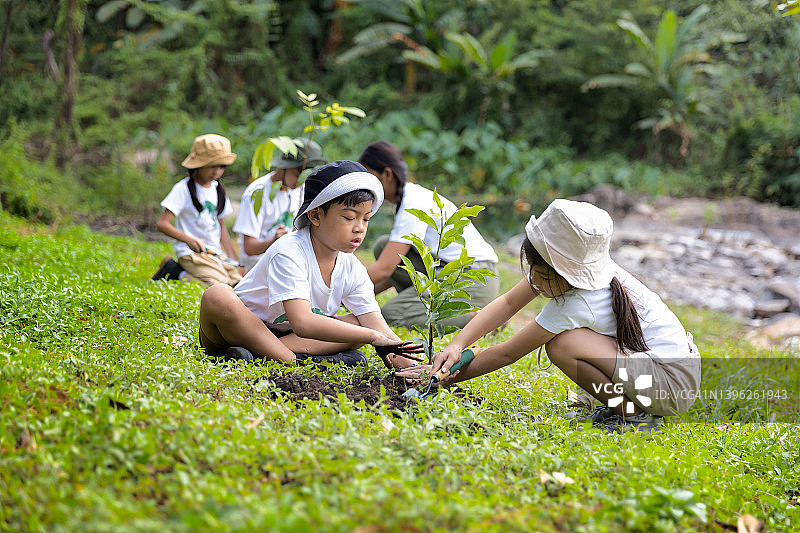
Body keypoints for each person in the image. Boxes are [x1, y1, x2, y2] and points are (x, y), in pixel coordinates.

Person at [405, 199, 701, 432]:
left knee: (562, 345)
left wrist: (441, 378)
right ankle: (625, 405)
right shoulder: (568, 271)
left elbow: (507, 354)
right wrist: (457, 345)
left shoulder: (576, 303)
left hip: (671, 384)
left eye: (539, 274)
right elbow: (507, 303)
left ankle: (634, 416)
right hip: (670, 372)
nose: (533, 279)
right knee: (570, 341)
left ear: (560, 271)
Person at [198, 160, 424, 367]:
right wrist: (371, 337)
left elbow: (381, 331)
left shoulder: (351, 267)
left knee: (360, 322)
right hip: (240, 328)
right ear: (315, 216)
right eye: (349, 217)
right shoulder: (289, 250)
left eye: (365, 219)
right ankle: (291, 360)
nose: (359, 228)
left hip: (292, 340)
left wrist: (420, 370)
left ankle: (257, 355)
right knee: (218, 295)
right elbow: (303, 322)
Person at [358, 140, 500, 329]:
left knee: (391, 315)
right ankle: (417, 304)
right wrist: (358, 300)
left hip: (473, 277)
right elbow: (391, 273)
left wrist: (339, 293)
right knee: (384, 246)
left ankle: (487, 320)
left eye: (370, 177)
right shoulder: (407, 198)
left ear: (387, 174)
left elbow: (384, 268)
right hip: (447, 270)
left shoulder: (412, 203)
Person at [154, 134, 242, 288]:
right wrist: (189, 240)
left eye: (221, 166)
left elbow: (220, 227)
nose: (217, 172)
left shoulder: (218, 189)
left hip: (214, 253)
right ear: (198, 165)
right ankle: (174, 270)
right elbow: (163, 224)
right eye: (212, 166)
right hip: (191, 254)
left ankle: (176, 270)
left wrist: (233, 258)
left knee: (239, 283)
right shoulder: (183, 189)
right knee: (219, 287)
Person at [233, 139, 326, 272]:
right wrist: (273, 241)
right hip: (259, 268)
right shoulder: (258, 193)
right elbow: (249, 248)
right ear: (284, 167)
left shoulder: (301, 190)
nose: (301, 181)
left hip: (288, 263)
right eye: (297, 175)